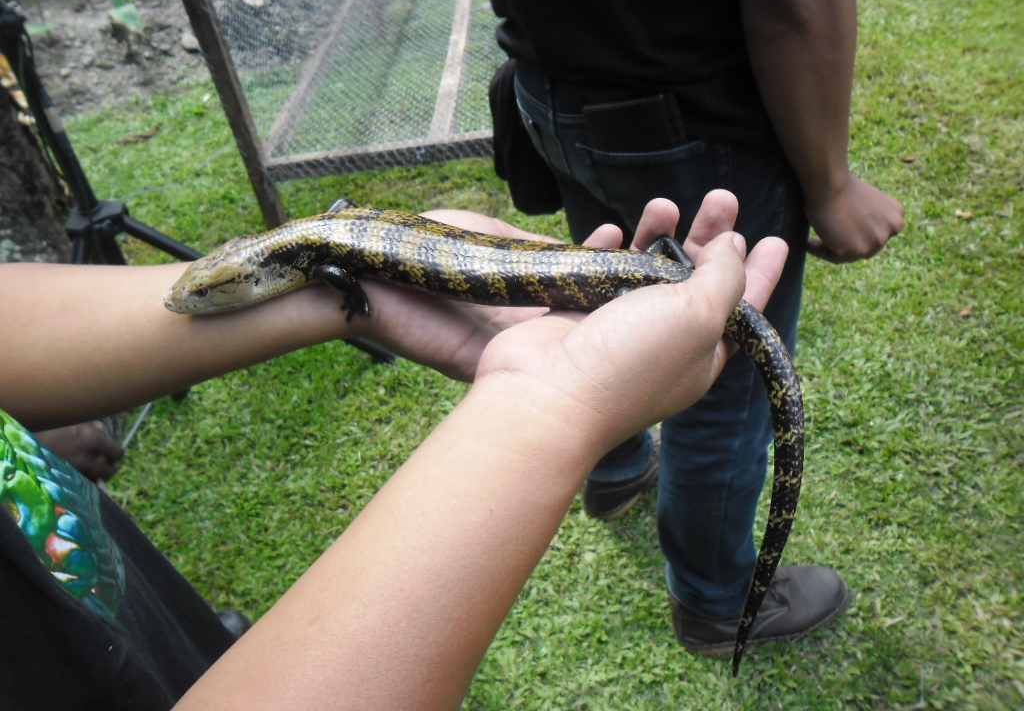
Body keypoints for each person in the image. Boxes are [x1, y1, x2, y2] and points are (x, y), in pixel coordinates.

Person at [0, 194, 785, 709]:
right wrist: (555, 395)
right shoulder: (308, 248)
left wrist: (556, 395)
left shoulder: (312, 260)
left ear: (269, 265)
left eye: (210, 291)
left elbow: (343, 273)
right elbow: (341, 253)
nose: (192, 300)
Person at [478, 0, 906, 656]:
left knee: (604, 303)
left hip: (552, 92)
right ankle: (715, 603)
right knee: (722, 389)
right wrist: (830, 184)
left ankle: (615, 473)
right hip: (690, 116)